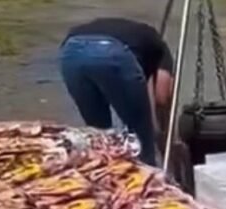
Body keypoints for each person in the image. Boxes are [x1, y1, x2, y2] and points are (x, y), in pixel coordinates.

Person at [60, 18, 175, 165]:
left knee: (98, 135)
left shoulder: (139, 39)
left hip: (71, 52)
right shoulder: (161, 48)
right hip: (111, 51)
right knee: (140, 140)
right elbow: (161, 96)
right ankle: (149, 180)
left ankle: (103, 178)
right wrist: (163, 140)